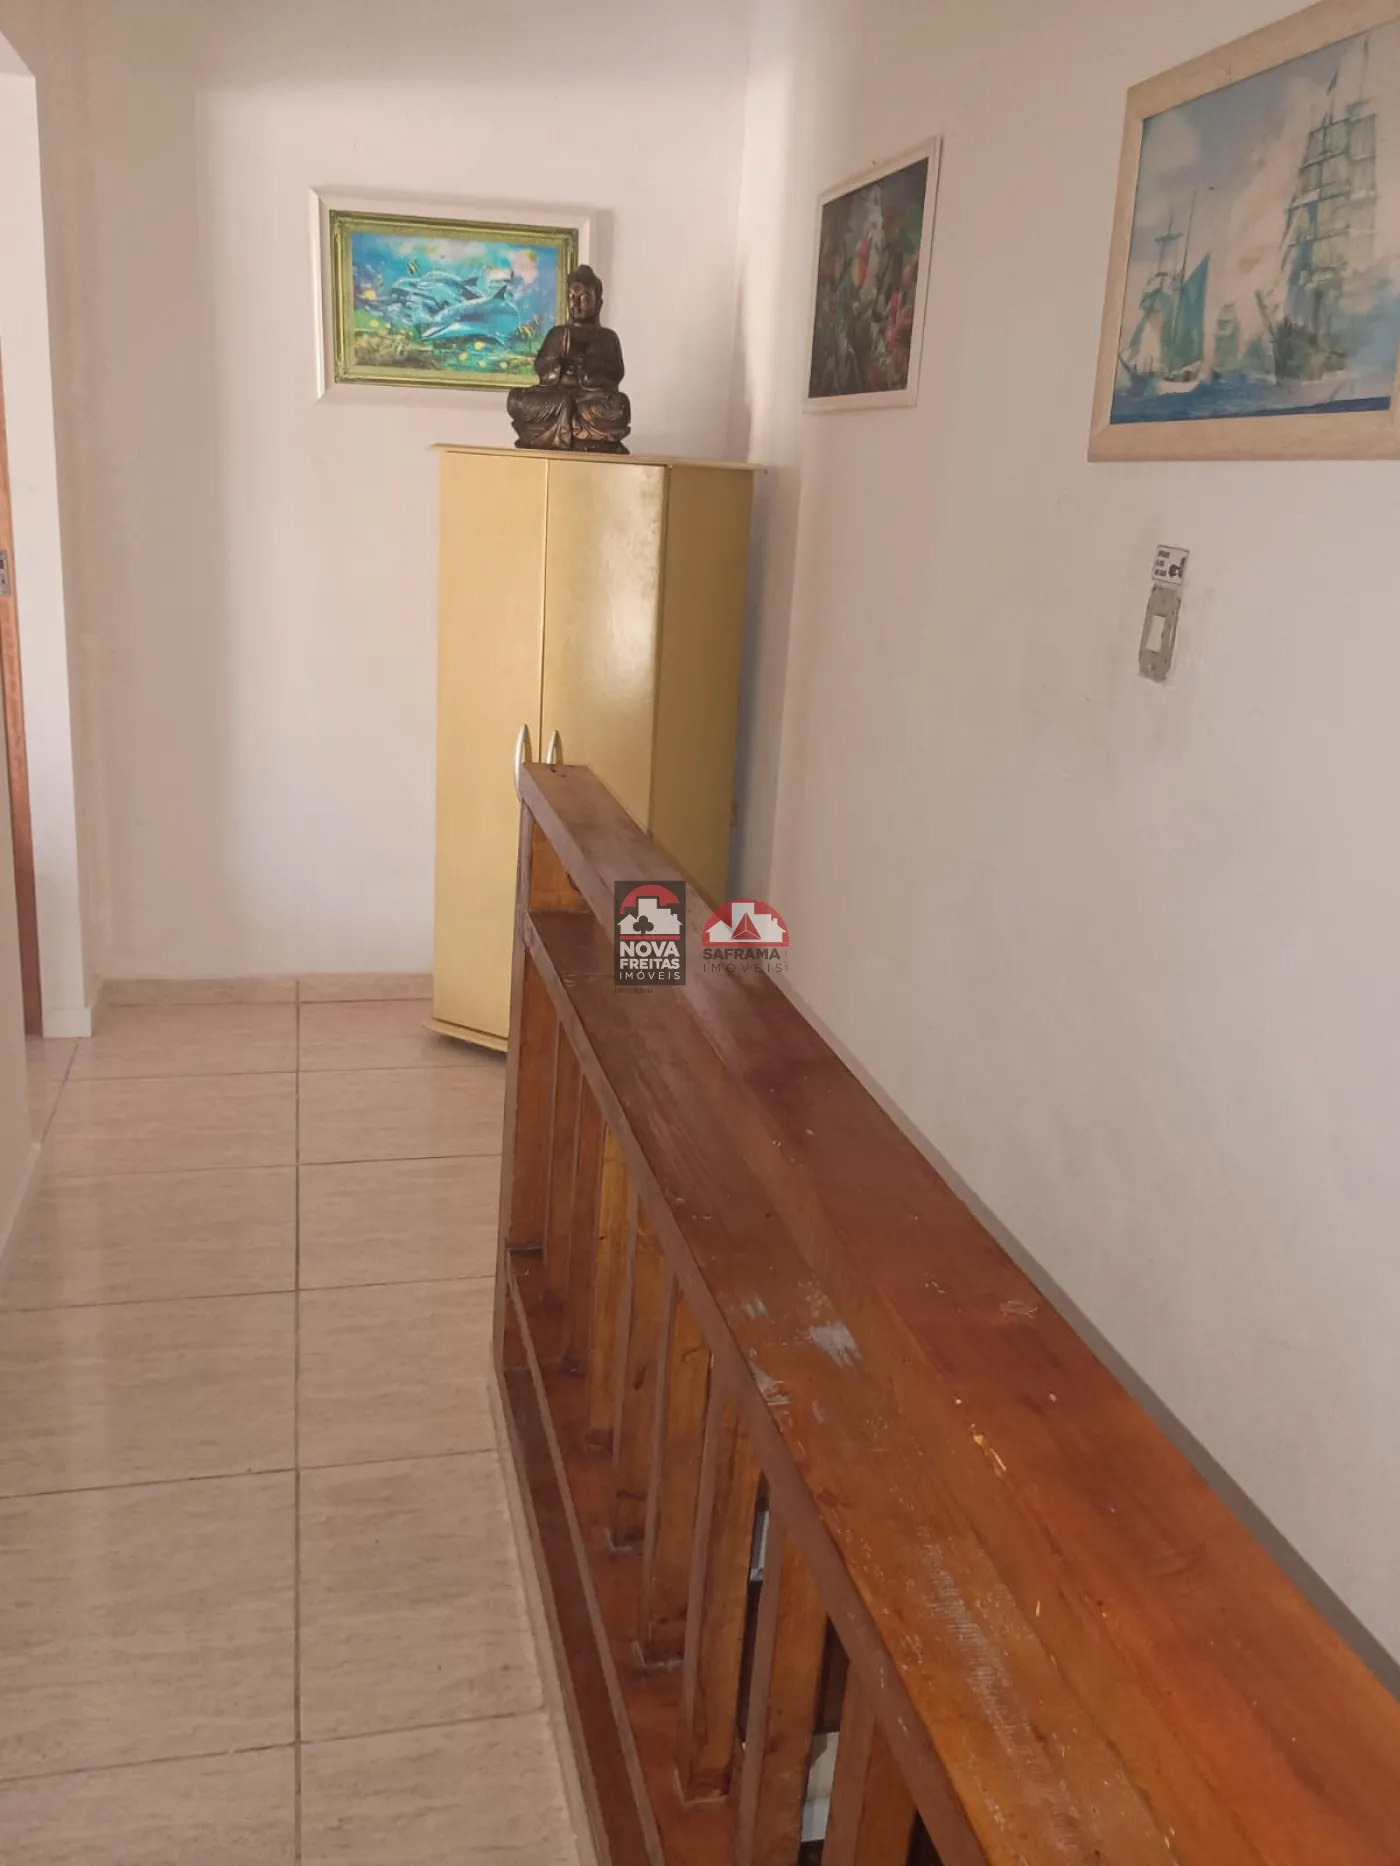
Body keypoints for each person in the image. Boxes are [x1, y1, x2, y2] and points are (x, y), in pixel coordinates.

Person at [507, 264, 631, 452]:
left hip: (588, 400)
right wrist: (556, 367)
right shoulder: (557, 334)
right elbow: (541, 365)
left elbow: (616, 372)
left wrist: (591, 371)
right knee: (516, 399)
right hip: (555, 399)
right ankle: (570, 422)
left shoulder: (607, 337)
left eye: (584, 298)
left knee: (619, 406)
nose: (576, 304)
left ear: (598, 303)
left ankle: (568, 421)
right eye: (572, 297)